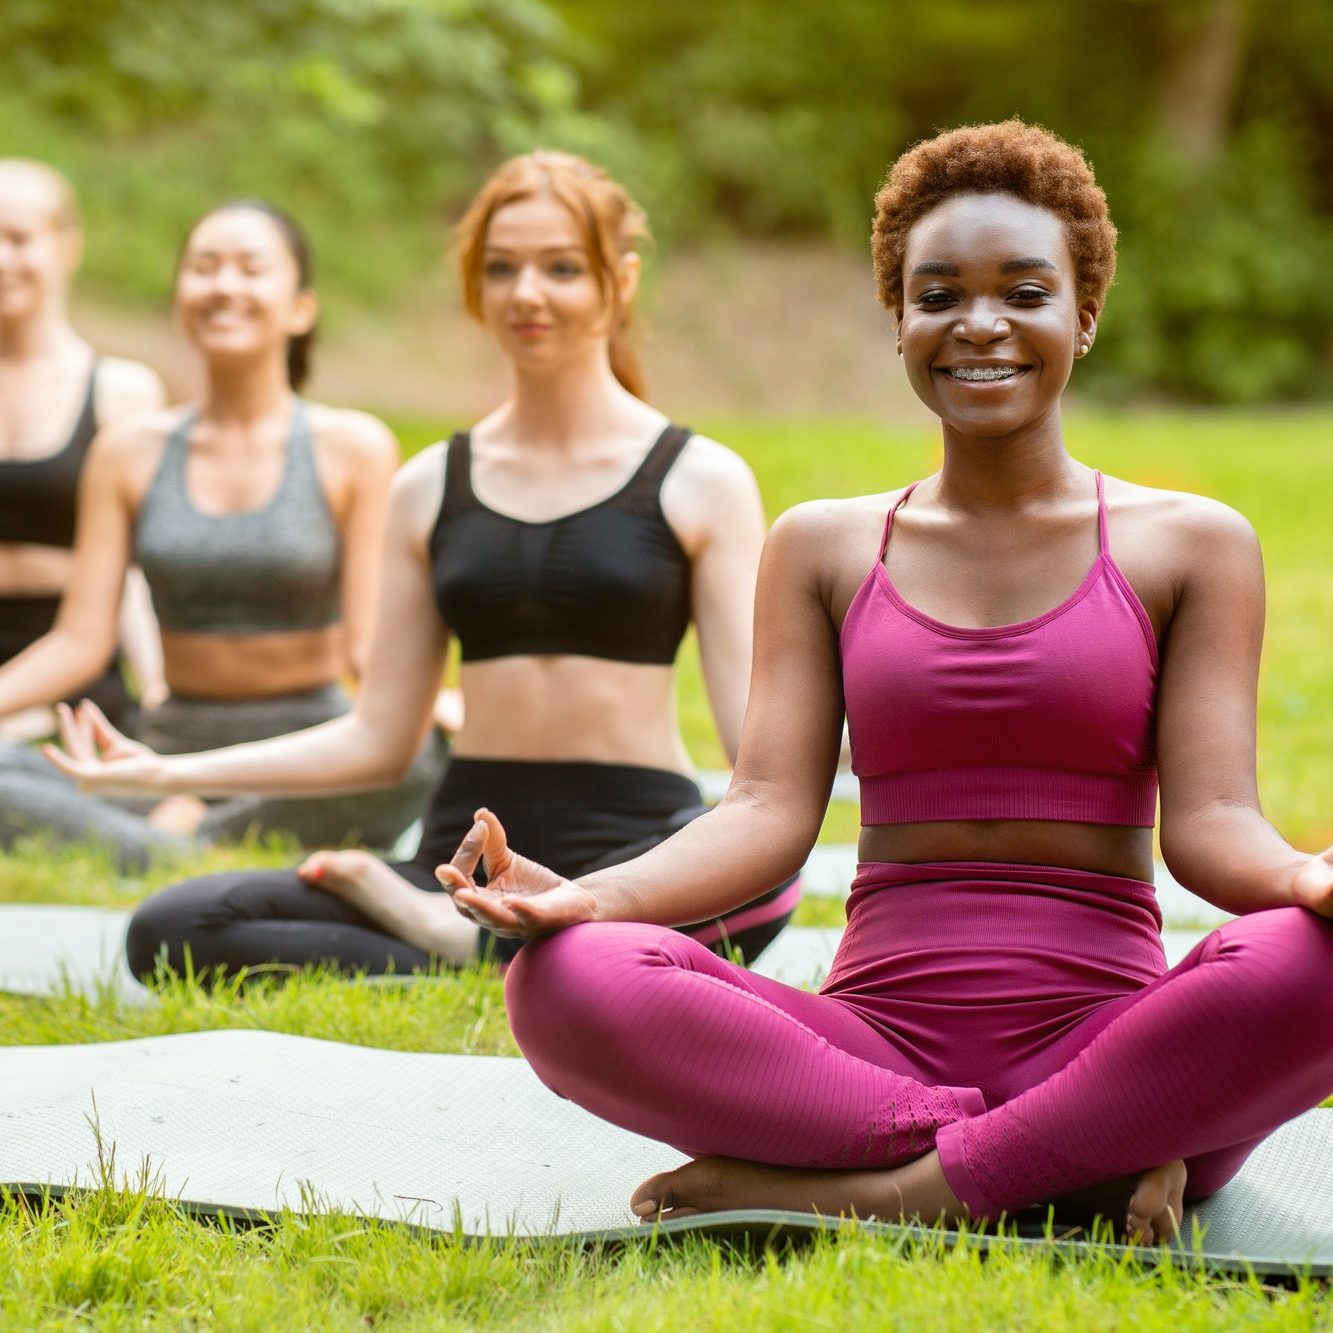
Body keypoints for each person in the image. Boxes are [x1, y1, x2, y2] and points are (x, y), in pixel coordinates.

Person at [317, 121, 1333, 1244]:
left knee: (1314, 957)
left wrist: (1304, 876)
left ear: (1082, 315)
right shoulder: (823, 547)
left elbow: (1212, 825)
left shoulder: (1192, 543)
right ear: (898, 319)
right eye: (937, 292)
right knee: (562, 981)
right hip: (875, 1056)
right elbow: (762, 814)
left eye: (1023, 291)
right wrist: (591, 900)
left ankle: (902, 1192)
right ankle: (1075, 1157)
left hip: (1115, 1041)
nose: (979, 324)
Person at [51, 151, 798, 973]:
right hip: (463, 853)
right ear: (474, 285)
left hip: (638, 845)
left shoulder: (701, 478)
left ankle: (494, 939)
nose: (527, 293)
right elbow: (379, 736)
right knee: (177, 922)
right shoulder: (429, 485)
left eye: (561, 268)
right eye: (501, 267)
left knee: (768, 884)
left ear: (617, 281)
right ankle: (504, 942)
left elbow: (750, 749)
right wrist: (165, 769)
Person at [3, 198, 440, 863]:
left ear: (300, 307)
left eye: (250, 268)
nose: (224, 285)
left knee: (420, 753)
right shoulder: (129, 448)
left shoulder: (352, 446)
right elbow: (80, 640)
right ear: (181, 297)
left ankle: (170, 843)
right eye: (204, 267)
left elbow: (367, 649)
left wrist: (438, 708)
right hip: (165, 749)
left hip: (309, 753)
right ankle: (190, 838)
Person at [0, 158, 167, 742]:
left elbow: (138, 572)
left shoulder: (122, 391)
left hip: (73, 657)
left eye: (19, 238)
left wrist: (161, 691)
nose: (2, 259)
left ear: (66, 247)